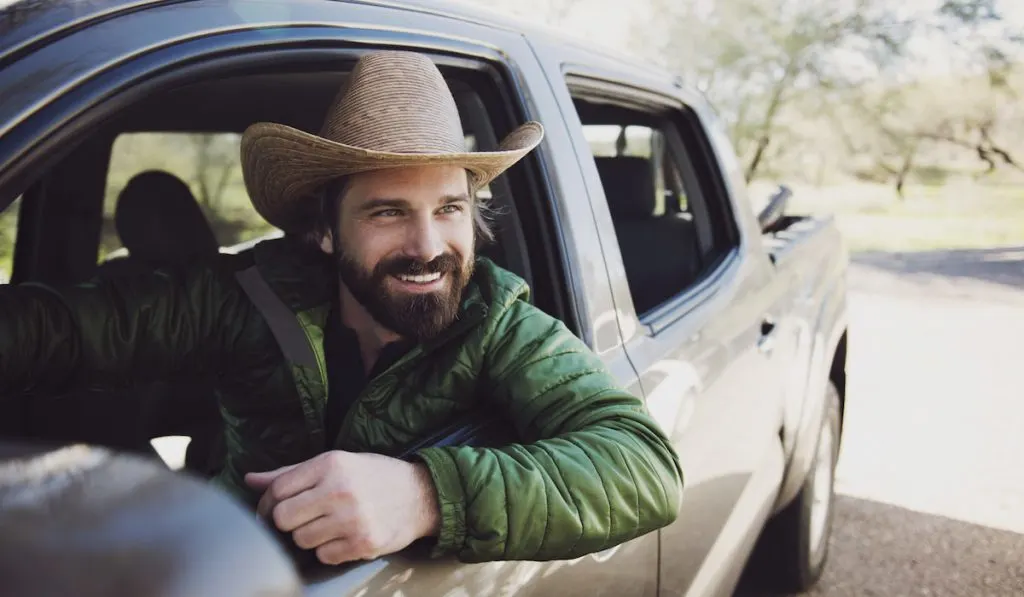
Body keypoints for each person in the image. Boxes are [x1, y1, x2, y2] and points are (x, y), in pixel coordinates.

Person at [0, 51, 683, 567]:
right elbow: (63, 330)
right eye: (388, 212)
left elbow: (643, 466)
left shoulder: (499, 325)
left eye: (449, 209)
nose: (428, 246)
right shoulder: (244, 298)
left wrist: (424, 495)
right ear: (324, 232)